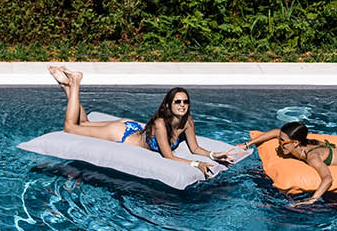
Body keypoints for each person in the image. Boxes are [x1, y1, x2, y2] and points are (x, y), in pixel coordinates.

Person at [49, 65, 232, 176]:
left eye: (185, 102)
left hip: (131, 126)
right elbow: (168, 156)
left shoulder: (188, 121)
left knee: (85, 124)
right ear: (168, 106)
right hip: (121, 134)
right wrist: (195, 164)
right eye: (177, 102)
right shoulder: (161, 124)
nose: (182, 105)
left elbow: (195, 148)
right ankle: (76, 82)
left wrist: (213, 155)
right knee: (71, 128)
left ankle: (67, 86)